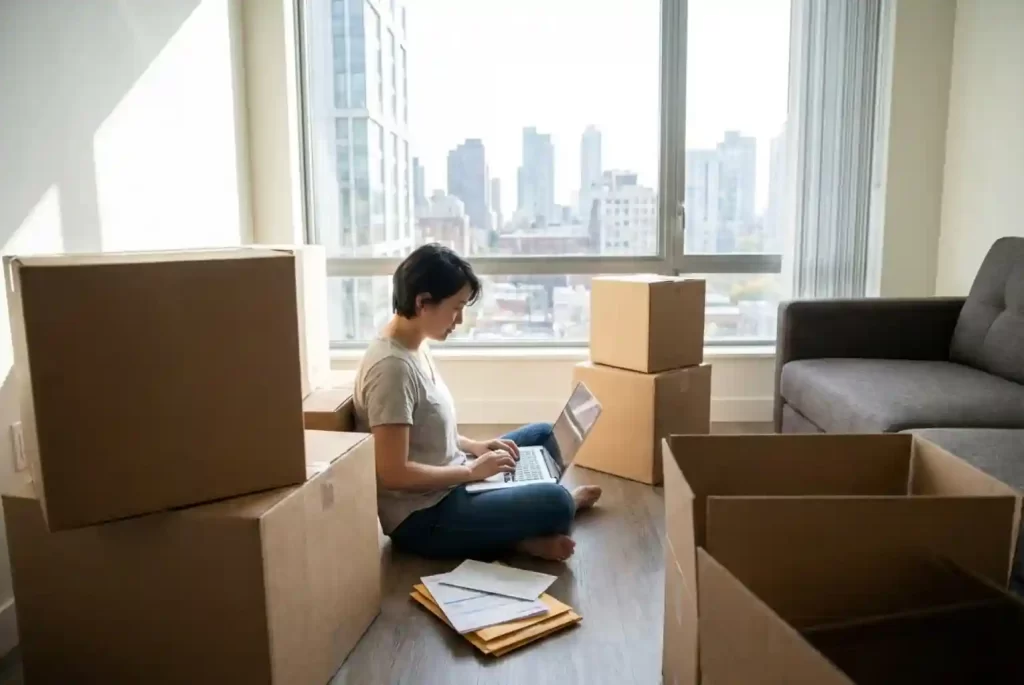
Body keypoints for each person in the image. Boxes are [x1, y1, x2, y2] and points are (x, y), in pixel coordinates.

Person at [353, 243, 602, 562]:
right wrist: (471, 472)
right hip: (424, 515)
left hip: (452, 474)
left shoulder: (415, 345)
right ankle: (522, 533)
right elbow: (393, 473)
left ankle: (512, 525)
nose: (459, 319)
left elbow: (423, 432)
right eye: (455, 307)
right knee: (558, 502)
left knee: (542, 435)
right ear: (423, 302)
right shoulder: (391, 370)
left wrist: (475, 446)